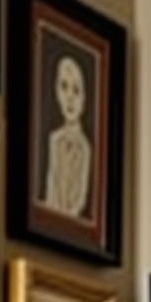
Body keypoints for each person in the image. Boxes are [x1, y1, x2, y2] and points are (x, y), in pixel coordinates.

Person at [43, 55, 92, 219]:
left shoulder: (85, 148)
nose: (70, 98)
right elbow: (51, 188)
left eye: (76, 90)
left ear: (84, 98)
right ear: (57, 92)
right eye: (64, 87)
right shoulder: (53, 140)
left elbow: (80, 200)